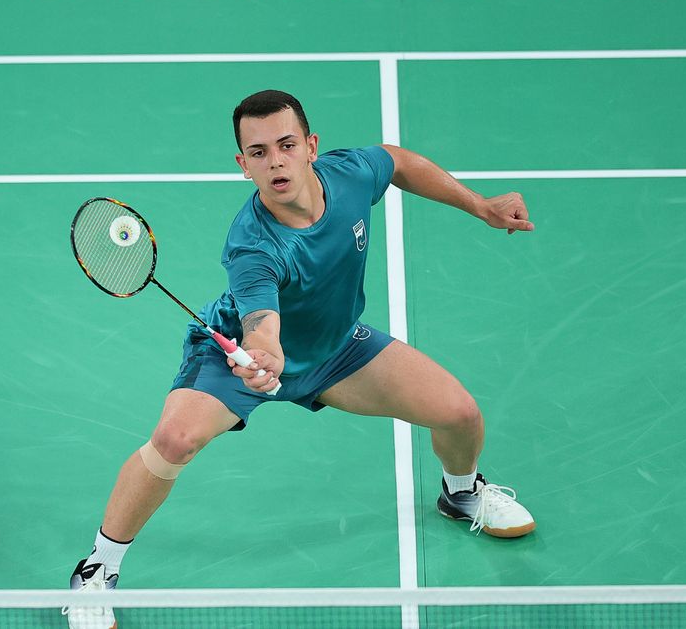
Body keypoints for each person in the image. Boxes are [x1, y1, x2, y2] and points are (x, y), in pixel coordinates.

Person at [65, 90, 536, 628]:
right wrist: (262, 357)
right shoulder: (252, 246)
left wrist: (479, 205)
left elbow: (399, 161)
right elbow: (262, 327)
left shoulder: (351, 176)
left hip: (335, 349)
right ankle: (97, 571)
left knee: (460, 414)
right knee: (174, 440)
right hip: (238, 357)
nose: (276, 161)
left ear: (311, 147)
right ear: (243, 166)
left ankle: (462, 494)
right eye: (259, 152)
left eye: (286, 145)